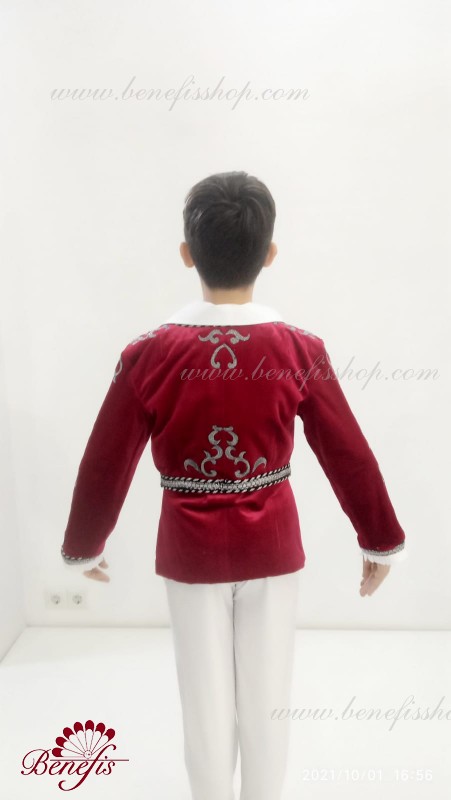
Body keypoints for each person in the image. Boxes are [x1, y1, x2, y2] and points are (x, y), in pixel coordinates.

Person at [61, 171, 407, 800]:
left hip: (189, 550)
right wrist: (377, 536)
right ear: (269, 254)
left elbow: (105, 459)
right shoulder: (299, 349)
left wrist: (85, 543)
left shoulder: (148, 355)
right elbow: (348, 451)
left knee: (204, 701)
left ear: (186, 253)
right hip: (272, 546)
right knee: (270, 698)